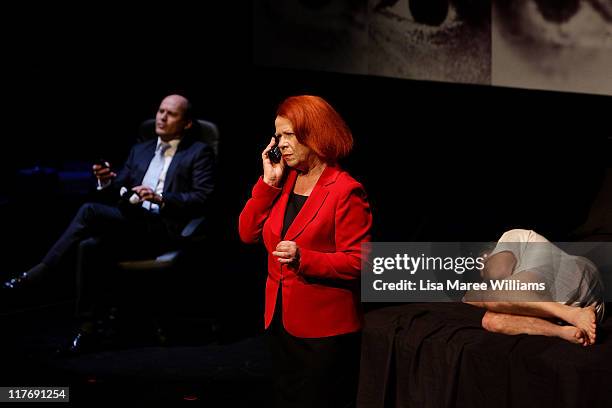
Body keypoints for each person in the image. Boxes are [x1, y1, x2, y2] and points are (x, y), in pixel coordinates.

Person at [2, 94, 215, 352]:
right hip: (134, 224)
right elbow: (119, 187)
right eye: (160, 111)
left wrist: (161, 198)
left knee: (89, 211)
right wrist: (106, 180)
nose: (162, 117)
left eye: (171, 114)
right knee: (89, 246)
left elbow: (203, 197)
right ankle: (87, 329)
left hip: (164, 227)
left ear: (187, 123)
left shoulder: (198, 152)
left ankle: (41, 272)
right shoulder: (141, 148)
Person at [239, 95, 372, 407]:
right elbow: (247, 234)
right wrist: (268, 183)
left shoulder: (345, 190)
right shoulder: (284, 180)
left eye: (289, 135)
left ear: (315, 133)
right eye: (277, 135)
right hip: (280, 321)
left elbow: (360, 261)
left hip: (325, 331)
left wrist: (304, 258)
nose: (280, 144)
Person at [464, 229, 605, 346]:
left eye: (482, 258)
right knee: (491, 321)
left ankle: (571, 314)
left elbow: (497, 271)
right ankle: (562, 331)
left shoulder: (512, 236)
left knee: (492, 295)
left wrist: (484, 280)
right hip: (580, 311)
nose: (481, 266)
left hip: (578, 278)